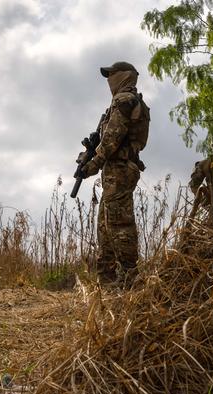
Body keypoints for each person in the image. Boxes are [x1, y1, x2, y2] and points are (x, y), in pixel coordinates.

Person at [76, 61, 150, 284]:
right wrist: (88, 156)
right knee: (105, 225)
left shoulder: (124, 100)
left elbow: (112, 139)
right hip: (115, 170)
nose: (109, 80)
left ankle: (130, 277)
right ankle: (106, 280)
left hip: (120, 169)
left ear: (125, 76)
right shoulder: (124, 102)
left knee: (119, 223)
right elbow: (106, 139)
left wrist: (94, 162)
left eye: (112, 75)